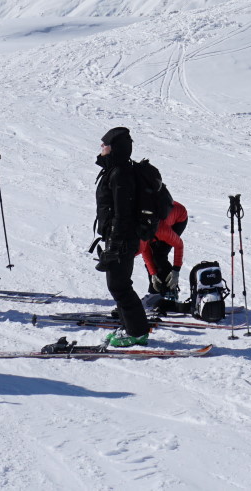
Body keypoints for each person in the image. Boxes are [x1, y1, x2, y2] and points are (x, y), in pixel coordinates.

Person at [93, 126, 151, 347]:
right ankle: (130, 327)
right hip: (119, 237)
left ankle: (137, 332)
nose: (102, 146)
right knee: (118, 284)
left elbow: (122, 213)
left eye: (105, 144)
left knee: (120, 286)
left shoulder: (121, 174)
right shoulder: (116, 169)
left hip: (123, 238)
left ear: (115, 148)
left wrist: (115, 244)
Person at [139, 200, 188, 314]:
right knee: (153, 257)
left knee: (159, 255)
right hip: (156, 222)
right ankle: (155, 292)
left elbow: (179, 245)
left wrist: (176, 270)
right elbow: (145, 252)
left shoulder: (162, 230)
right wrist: (153, 274)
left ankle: (171, 292)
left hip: (179, 217)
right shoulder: (140, 232)